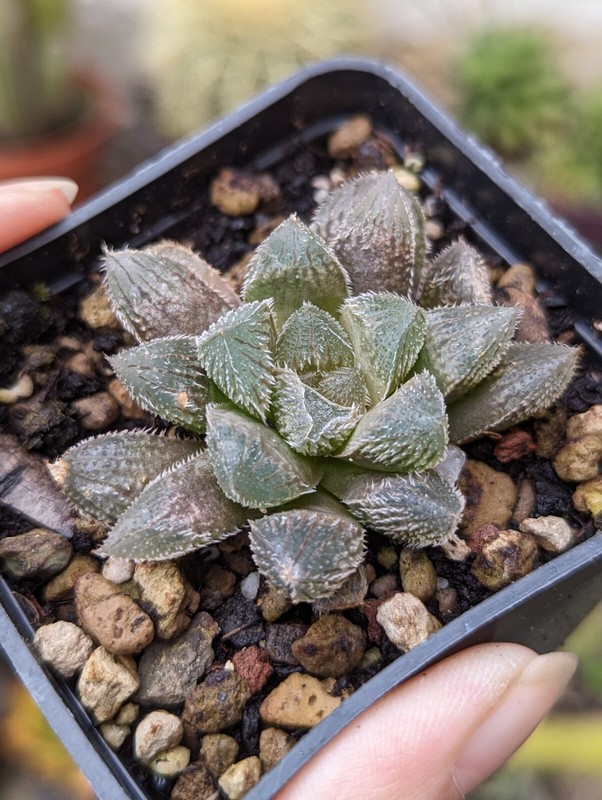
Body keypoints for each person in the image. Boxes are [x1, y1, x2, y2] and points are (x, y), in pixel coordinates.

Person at [0, 177, 579, 799]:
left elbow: (423, 503)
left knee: (402, 225)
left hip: (364, 448)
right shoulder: (235, 378)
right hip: (251, 445)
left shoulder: (401, 384)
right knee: (103, 475)